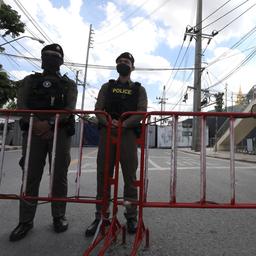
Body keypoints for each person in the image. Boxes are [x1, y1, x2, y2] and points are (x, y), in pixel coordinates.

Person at [9, 44, 78, 242]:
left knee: (59, 177)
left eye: (55, 56)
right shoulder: (29, 81)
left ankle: (59, 216)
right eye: (47, 55)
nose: (50, 58)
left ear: (61, 61)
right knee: (30, 176)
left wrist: (48, 124)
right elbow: (21, 106)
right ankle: (25, 221)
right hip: (33, 133)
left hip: (60, 133)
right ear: (41, 59)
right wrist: (36, 124)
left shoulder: (68, 85)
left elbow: (69, 109)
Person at [85, 52, 148, 236]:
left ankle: (131, 217)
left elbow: (141, 111)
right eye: (120, 61)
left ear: (132, 67)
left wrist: (124, 124)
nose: (123, 63)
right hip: (107, 133)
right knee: (103, 176)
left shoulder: (139, 89)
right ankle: (101, 216)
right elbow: (98, 109)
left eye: (126, 62)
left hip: (127, 135)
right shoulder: (107, 86)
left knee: (130, 178)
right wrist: (108, 122)